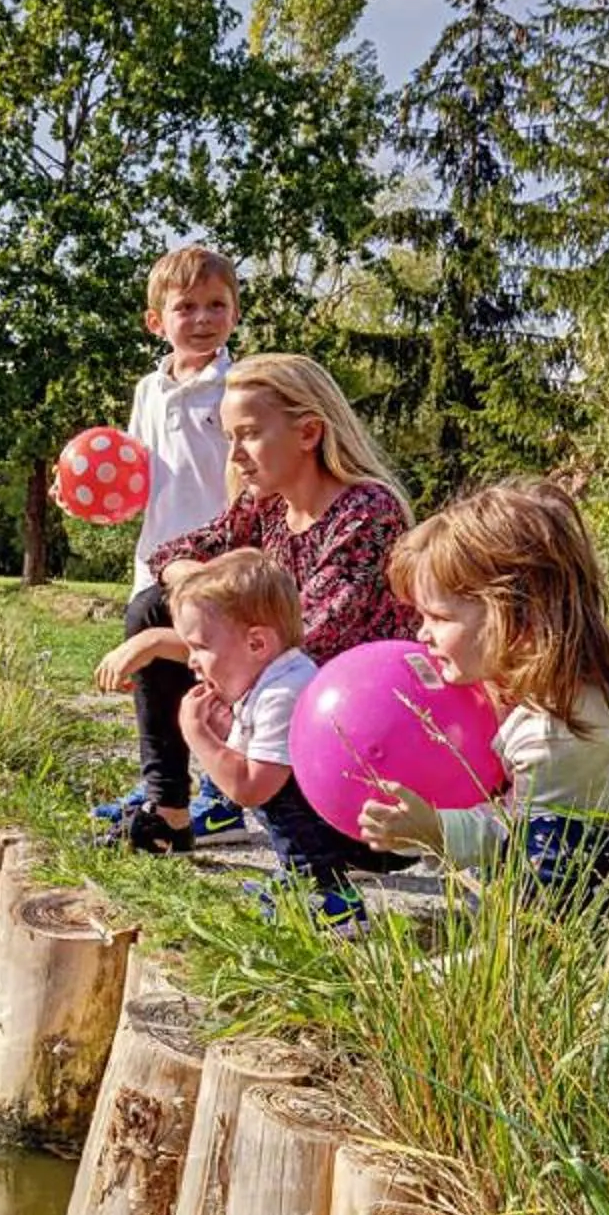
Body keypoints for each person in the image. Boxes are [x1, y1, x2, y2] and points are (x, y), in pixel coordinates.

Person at [354, 479, 609, 952]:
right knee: (549, 844)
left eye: (439, 617)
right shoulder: (513, 696)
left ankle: (597, 993)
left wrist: (438, 832)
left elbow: (525, 844)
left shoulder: (563, 727)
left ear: (515, 617)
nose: (422, 633)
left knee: (550, 844)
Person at [96, 352, 418, 853]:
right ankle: (169, 813)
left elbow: (303, 643)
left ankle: (321, 867)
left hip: (358, 740)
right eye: (229, 438)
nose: (235, 456)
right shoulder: (266, 502)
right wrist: (193, 594)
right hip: (286, 699)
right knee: (151, 606)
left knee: (167, 631)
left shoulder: (366, 513)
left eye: (248, 434)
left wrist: (168, 642)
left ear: (308, 433)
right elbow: (171, 554)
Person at [169, 550, 410, 922]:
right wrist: (226, 733)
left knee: (280, 794)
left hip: (372, 831)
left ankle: (327, 896)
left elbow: (251, 788)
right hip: (355, 817)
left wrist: (198, 735)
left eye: (199, 646)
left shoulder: (284, 693)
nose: (190, 661)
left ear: (257, 644)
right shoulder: (271, 679)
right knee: (276, 783)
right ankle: (305, 878)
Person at [96, 245, 243, 848]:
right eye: (187, 307)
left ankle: (225, 796)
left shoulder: (237, 386)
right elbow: (132, 472)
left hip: (217, 560)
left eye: (217, 305)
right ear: (156, 321)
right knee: (157, 676)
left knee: (220, 678)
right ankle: (165, 789)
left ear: (235, 313)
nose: (204, 318)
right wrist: (83, 488)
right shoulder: (148, 390)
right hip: (157, 554)